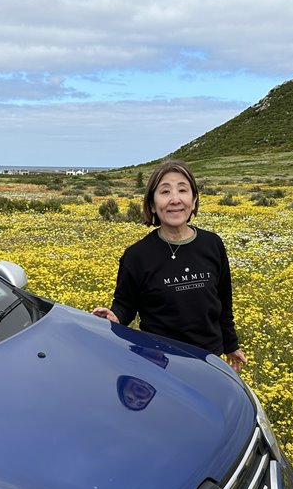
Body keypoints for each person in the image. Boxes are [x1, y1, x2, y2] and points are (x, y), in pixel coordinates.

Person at [92, 159, 248, 372]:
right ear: (152, 205)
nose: (175, 199)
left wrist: (231, 345)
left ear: (193, 201)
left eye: (182, 190)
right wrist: (115, 316)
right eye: (165, 192)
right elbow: (125, 305)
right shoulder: (137, 255)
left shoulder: (212, 244)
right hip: (160, 361)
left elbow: (223, 301)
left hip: (210, 359)